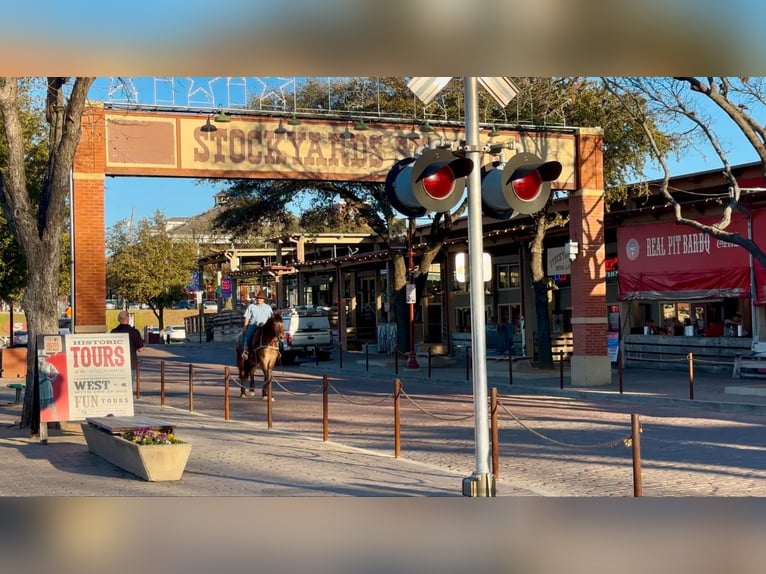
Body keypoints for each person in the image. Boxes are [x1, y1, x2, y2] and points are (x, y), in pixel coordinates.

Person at [111, 310, 144, 394]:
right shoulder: (134, 332)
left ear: (119, 319)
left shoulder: (113, 332)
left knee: (117, 388)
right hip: (130, 363)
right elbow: (140, 348)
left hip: (116, 364)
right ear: (128, 319)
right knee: (128, 388)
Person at [242, 290, 273, 360]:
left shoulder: (268, 307)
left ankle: (277, 351)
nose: (260, 300)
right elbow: (247, 317)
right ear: (256, 299)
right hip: (254, 324)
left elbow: (271, 318)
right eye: (259, 298)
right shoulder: (251, 306)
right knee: (248, 336)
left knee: (273, 337)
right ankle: (246, 351)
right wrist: (245, 326)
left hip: (265, 326)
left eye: (261, 298)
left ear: (264, 300)